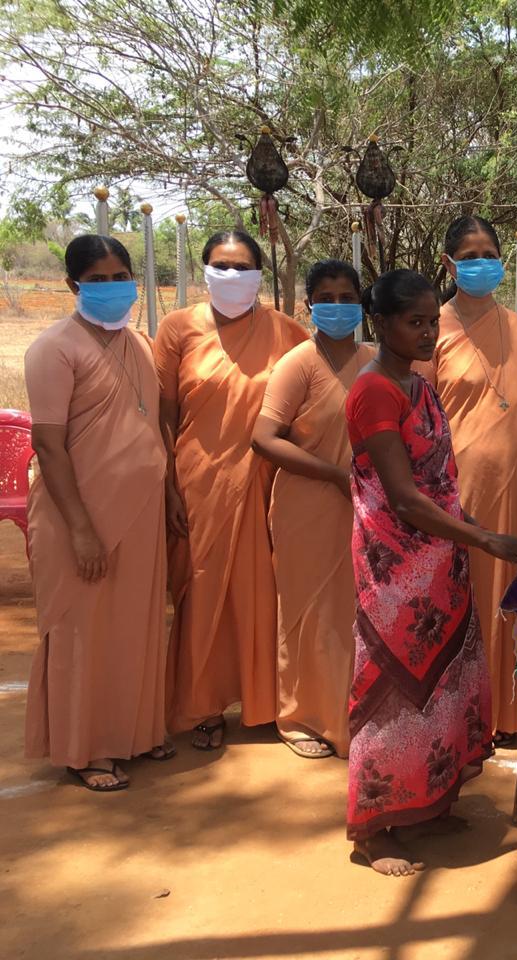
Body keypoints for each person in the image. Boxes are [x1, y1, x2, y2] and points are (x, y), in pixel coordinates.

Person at [345, 269, 517, 876]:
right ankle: (376, 829)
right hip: (397, 568)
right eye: (414, 322)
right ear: (381, 323)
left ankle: (428, 800)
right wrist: (483, 537)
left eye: (433, 321)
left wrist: (471, 530)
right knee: (393, 689)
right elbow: (403, 497)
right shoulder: (375, 391)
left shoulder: (419, 384)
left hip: (440, 561)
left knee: (445, 682)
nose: (429, 332)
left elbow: (439, 485)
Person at [23, 235, 170, 791]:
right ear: (73, 285)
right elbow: (48, 445)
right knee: (81, 631)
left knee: (133, 628)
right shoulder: (54, 348)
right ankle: (86, 748)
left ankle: (133, 734)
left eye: (120, 277)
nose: (113, 289)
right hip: (77, 519)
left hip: (139, 513)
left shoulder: (139, 344)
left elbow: (151, 424)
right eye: (99, 280)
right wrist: (82, 530)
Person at [156, 229, 307, 749]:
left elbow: (313, 398)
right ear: (203, 270)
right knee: (201, 595)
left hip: (265, 484)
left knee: (262, 595)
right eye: (221, 265)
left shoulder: (287, 332)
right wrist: (169, 487)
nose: (231, 275)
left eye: (243, 266)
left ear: (260, 275)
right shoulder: (178, 329)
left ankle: (264, 703)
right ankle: (202, 706)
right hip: (196, 483)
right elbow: (165, 415)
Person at [427, 215, 517, 747]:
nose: (481, 263)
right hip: (451, 496)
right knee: (457, 603)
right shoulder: (430, 328)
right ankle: (455, 718)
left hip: (512, 490)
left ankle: (506, 713)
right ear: (449, 263)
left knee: (508, 597)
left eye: (489, 254)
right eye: (470, 254)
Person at [252, 259, 375, 759]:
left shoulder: (374, 360)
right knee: (307, 613)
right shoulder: (298, 362)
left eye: (349, 298)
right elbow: (262, 439)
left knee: (354, 614)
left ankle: (352, 712)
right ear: (310, 304)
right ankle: (300, 716)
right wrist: (332, 474)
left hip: (365, 508)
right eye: (329, 297)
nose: (340, 306)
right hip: (308, 505)